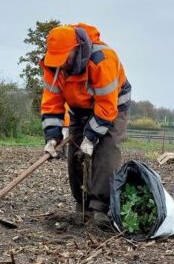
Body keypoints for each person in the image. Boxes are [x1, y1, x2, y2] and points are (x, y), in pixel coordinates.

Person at [39, 23, 131, 227]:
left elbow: (106, 107)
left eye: (64, 59)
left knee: (105, 150)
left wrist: (92, 137)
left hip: (112, 106)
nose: (61, 65)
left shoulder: (103, 60)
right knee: (76, 155)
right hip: (79, 108)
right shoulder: (52, 67)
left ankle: (100, 208)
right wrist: (53, 137)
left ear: (76, 49)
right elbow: (52, 103)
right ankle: (82, 204)